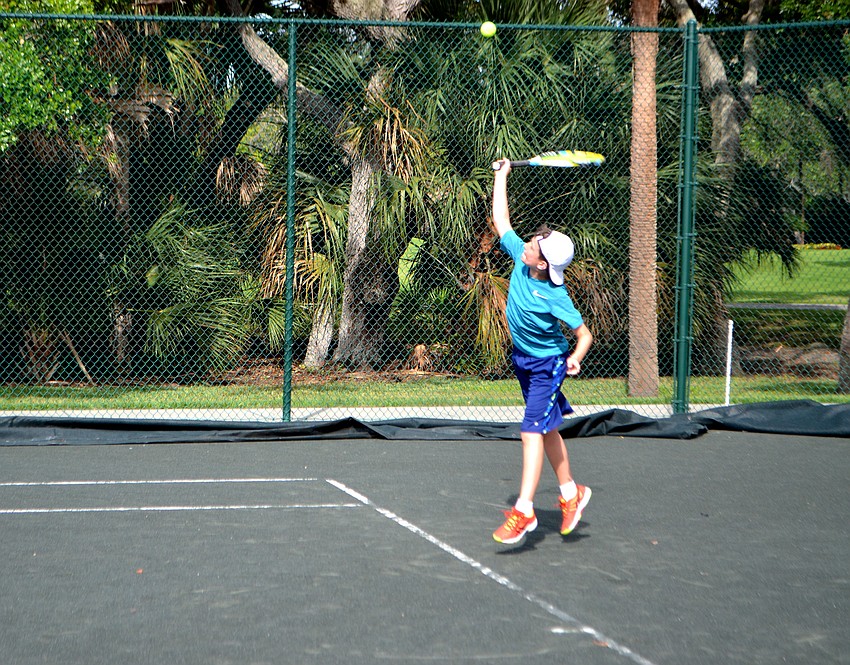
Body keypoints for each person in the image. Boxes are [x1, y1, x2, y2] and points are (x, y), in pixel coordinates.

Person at [490, 158, 594, 545]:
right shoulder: (520, 259)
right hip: (523, 361)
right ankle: (572, 494)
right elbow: (502, 221)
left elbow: (584, 334)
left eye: (535, 244)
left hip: (548, 365)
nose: (529, 242)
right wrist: (502, 177)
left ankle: (525, 511)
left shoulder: (555, 294)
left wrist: (575, 358)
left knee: (530, 431)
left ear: (543, 261)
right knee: (547, 429)